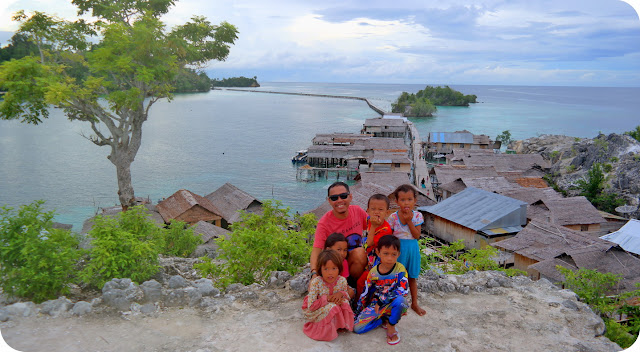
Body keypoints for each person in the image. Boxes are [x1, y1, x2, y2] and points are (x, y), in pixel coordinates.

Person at [354, 235, 408, 345]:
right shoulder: (374, 272)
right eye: (386, 253)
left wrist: (382, 301)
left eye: (394, 254)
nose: (389, 258)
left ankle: (391, 325)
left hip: (391, 303)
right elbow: (365, 292)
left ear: (398, 254)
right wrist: (359, 311)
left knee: (402, 302)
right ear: (378, 253)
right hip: (376, 306)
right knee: (357, 328)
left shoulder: (400, 270)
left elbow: (403, 290)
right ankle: (383, 319)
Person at [310, 181, 368, 283]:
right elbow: (316, 250)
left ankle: (353, 285)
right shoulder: (324, 223)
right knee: (360, 253)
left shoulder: (357, 211)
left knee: (360, 253)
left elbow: (374, 227)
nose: (339, 200)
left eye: (343, 196)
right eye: (334, 198)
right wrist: (314, 273)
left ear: (350, 197)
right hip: (336, 267)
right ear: (329, 201)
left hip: (355, 264)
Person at [387, 184, 427, 316]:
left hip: (412, 249)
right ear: (397, 201)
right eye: (403, 200)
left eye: (409, 199)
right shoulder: (393, 217)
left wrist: (409, 221)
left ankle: (414, 303)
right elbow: (389, 236)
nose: (406, 203)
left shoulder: (417, 216)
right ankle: (398, 304)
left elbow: (416, 235)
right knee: (397, 277)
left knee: (412, 277)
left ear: (415, 201)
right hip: (398, 250)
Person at [302, 249, 354, 341]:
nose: (330, 273)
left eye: (334, 268)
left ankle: (339, 325)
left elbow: (347, 295)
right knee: (333, 307)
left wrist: (340, 294)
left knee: (344, 302)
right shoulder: (316, 282)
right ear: (320, 270)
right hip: (316, 310)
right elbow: (311, 306)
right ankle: (324, 331)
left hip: (332, 305)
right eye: (326, 269)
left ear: (339, 269)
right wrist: (327, 299)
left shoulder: (341, 280)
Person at [356, 193, 393, 297]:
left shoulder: (385, 230)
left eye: (380, 210)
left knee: (362, 282)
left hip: (377, 261)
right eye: (373, 209)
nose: (376, 212)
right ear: (367, 211)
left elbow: (370, 243)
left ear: (387, 212)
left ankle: (358, 304)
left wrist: (373, 226)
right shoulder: (368, 220)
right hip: (368, 257)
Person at [324, 232, 355, 299]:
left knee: (351, 292)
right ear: (328, 250)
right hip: (325, 288)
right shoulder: (323, 262)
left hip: (339, 288)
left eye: (345, 250)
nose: (342, 253)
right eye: (339, 250)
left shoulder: (344, 262)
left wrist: (340, 293)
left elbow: (344, 282)